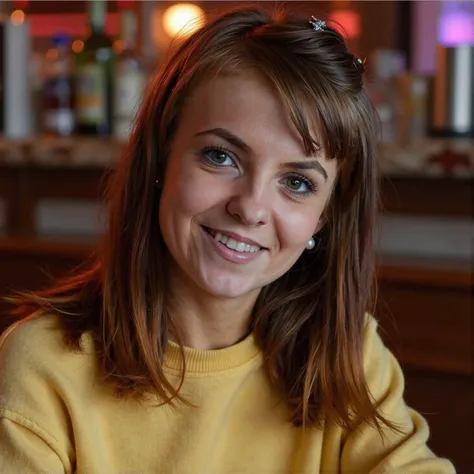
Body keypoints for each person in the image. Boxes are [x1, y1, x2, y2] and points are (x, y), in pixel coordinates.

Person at [0, 6, 455, 473]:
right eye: (221, 156)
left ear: (323, 218)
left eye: (297, 182)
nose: (251, 207)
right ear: (162, 159)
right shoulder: (42, 367)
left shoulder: (347, 353)